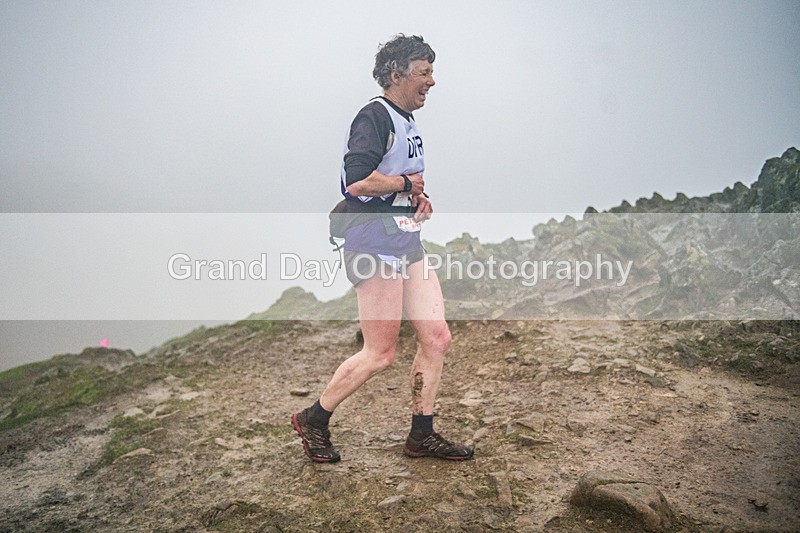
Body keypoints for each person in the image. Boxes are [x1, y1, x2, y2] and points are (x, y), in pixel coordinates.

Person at [291, 34, 473, 463]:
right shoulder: (374, 116)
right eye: (424, 73)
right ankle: (313, 419)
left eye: (432, 72)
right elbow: (356, 181)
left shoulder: (408, 120)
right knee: (380, 353)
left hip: (405, 238)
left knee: (437, 336)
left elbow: (395, 184)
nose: (431, 81)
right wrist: (405, 185)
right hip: (372, 241)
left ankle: (421, 434)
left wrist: (416, 199)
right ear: (396, 75)